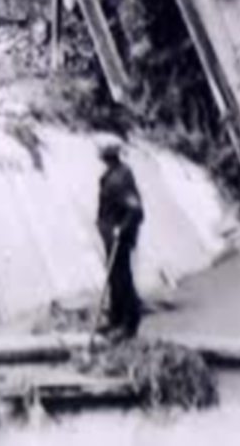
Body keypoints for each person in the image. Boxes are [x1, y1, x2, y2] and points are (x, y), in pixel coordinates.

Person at [96, 141, 144, 339]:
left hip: (120, 237)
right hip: (110, 234)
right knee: (114, 276)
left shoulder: (121, 178)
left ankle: (129, 323)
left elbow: (136, 210)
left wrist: (121, 230)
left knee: (123, 278)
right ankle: (115, 319)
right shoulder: (110, 176)